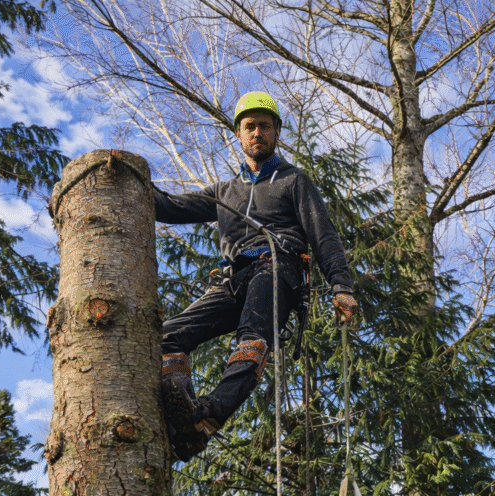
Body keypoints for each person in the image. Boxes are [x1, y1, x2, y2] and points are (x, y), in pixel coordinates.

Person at [153, 91, 358, 462]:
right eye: (250, 126)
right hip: (234, 277)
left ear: (276, 132)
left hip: (279, 266)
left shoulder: (294, 181)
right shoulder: (224, 193)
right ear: (239, 134)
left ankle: (210, 414)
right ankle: (179, 410)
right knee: (168, 336)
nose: (257, 133)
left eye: (265, 126)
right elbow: (168, 206)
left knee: (253, 335)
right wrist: (132, 180)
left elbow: (323, 235)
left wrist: (340, 286)